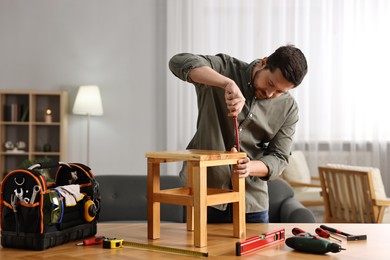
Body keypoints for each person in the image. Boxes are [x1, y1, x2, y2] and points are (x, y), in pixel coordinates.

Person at [168, 45, 308, 223]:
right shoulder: (225, 68)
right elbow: (178, 62)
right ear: (264, 62)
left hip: (252, 204)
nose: (270, 93)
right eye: (270, 83)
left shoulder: (288, 108)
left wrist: (250, 167)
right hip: (205, 194)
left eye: (280, 92)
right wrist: (226, 83)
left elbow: (280, 157)